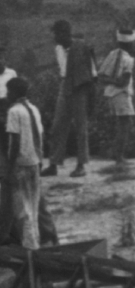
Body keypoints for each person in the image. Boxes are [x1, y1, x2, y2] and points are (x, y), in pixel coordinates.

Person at [44, 20, 96, 177]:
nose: (54, 36)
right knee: (58, 125)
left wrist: (90, 95)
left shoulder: (82, 46)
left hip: (80, 88)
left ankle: (81, 165)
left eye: (56, 33)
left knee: (81, 128)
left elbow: (92, 72)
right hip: (65, 85)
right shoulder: (58, 49)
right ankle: (54, 164)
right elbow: (63, 71)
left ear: (64, 33)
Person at [2, 74, 43, 250]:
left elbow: (15, 143)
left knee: (22, 211)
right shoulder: (33, 109)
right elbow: (40, 136)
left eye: (8, 91)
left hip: (21, 164)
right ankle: (36, 245)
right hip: (34, 161)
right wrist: (39, 159)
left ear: (13, 92)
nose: (6, 95)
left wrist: (9, 168)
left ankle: (30, 250)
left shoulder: (13, 111)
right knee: (33, 208)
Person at [97, 26, 135, 171]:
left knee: (121, 124)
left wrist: (111, 81)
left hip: (110, 93)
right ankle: (119, 157)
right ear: (130, 43)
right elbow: (124, 82)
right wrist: (117, 82)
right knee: (125, 125)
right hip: (121, 94)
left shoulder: (113, 54)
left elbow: (101, 75)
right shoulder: (128, 60)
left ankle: (117, 154)